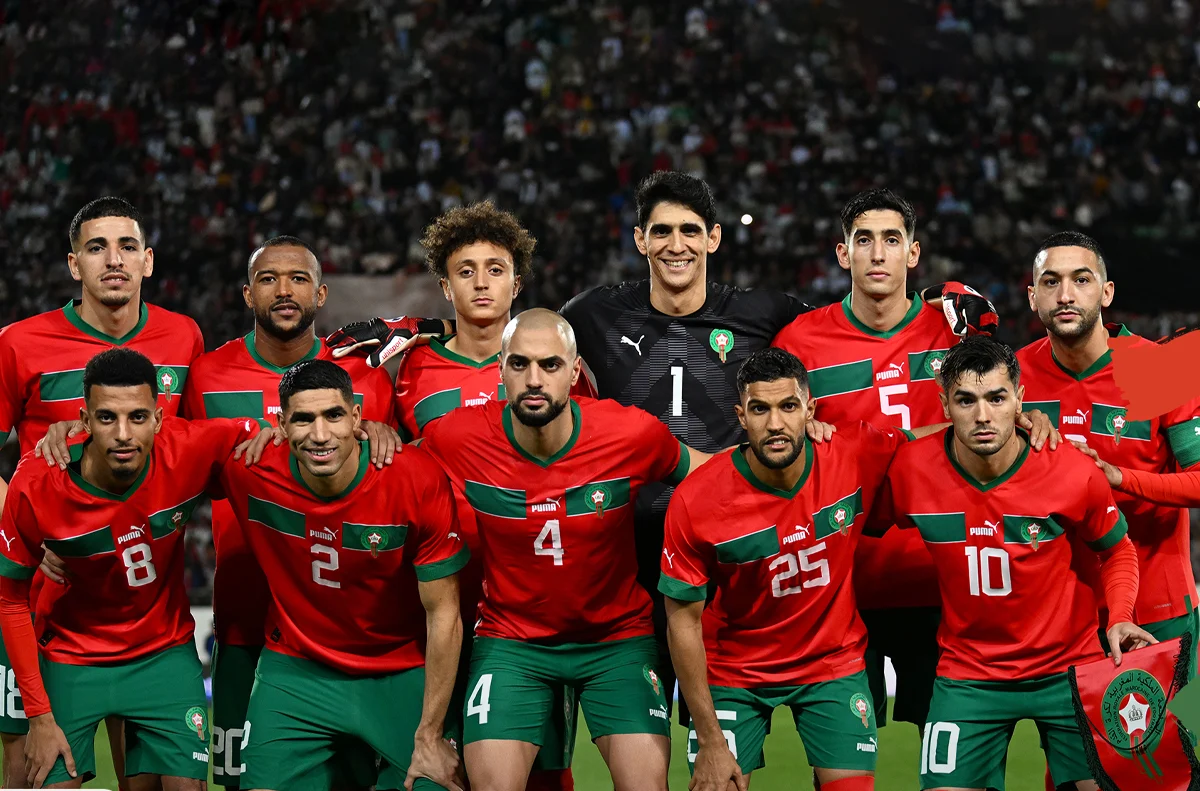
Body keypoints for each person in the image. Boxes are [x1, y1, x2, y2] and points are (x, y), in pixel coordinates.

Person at [558, 172, 995, 722]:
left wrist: (944, 297)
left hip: (769, 558)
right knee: (651, 737)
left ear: (713, 237)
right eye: (661, 231)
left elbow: (872, 318)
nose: (676, 244)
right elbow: (536, 354)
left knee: (919, 742)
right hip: (640, 559)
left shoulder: (771, 318)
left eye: (689, 230)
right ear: (640, 239)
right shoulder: (590, 315)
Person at [32, 235, 407, 788]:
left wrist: (380, 429)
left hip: (348, 624)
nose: (284, 291)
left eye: (298, 279)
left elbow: (394, 493)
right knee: (239, 780)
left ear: (322, 294)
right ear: (247, 294)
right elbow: (143, 442)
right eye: (268, 279)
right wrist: (76, 432)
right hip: (243, 612)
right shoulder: (206, 374)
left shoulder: (367, 382)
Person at [771, 188, 1034, 735]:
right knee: (842, 763)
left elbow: (999, 415)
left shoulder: (955, 333)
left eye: (892, 240)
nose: (877, 253)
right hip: (841, 587)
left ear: (913, 253)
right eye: (863, 240)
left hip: (944, 583)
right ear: (842, 253)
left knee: (951, 759)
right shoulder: (800, 344)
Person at [419, 309, 708, 791]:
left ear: (574, 372)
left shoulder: (628, 433)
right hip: (512, 642)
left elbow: (712, 473)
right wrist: (373, 434)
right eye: (519, 364)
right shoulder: (459, 436)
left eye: (549, 365)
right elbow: (389, 467)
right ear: (500, 370)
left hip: (615, 639)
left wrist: (793, 447)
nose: (534, 379)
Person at [866, 337, 1154, 791]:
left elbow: (1117, 550)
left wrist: (1119, 616)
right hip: (969, 675)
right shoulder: (910, 470)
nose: (983, 415)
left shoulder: (1071, 469)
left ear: (1020, 400)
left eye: (997, 398)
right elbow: (847, 526)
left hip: (1069, 669)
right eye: (966, 400)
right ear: (944, 404)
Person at [661, 348, 950, 791]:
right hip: (735, 670)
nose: (775, 423)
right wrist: (710, 739)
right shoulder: (696, 499)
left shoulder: (852, 451)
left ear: (810, 410)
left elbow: (924, 438)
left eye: (788, 406)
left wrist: (1010, 424)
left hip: (830, 662)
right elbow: (683, 622)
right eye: (760, 409)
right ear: (741, 416)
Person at [0, 197, 204, 789]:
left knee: (145, 773)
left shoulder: (182, 336)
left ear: (147, 261)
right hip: (46, 594)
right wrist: (26, 532)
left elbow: (190, 450)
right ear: (73, 264)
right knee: (29, 759)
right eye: (96, 248)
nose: (113, 260)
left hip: (144, 597)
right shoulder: (19, 343)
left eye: (126, 247)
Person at [393, 203, 591, 790]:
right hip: (438, 594)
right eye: (466, 270)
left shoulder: (553, 369)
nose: (481, 282)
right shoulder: (409, 368)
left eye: (495, 269)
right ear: (444, 285)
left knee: (546, 773)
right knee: (438, 765)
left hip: (530, 598)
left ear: (517, 282)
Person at [0, 348, 256, 789]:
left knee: (185, 787)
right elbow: (9, 600)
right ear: (83, 420)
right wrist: (39, 717)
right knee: (44, 781)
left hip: (162, 654)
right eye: (106, 418)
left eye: (137, 417)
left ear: (158, 419)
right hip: (73, 656)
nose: (122, 434)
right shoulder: (37, 482)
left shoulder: (191, 446)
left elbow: (260, 433)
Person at [216, 359, 468, 791]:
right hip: (296, 669)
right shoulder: (248, 467)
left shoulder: (414, 478)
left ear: (356, 417)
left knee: (435, 783)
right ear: (281, 425)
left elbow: (444, 614)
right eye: (303, 419)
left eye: (333, 415)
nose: (319, 434)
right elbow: (159, 458)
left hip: (399, 669)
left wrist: (430, 734)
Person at [1019, 231, 1200, 678]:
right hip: (1055, 615)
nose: (1065, 295)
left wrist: (1117, 477)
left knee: (1175, 727)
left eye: (1081, 280)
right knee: (1065, 731)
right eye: (1050, 281)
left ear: (1106, 292)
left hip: (1157, 609)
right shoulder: (1012, 379)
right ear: (1032, 297)